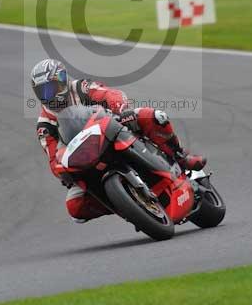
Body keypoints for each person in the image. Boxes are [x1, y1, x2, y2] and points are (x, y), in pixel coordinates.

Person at [31, 59, 206, 222]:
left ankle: (180, 156)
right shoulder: (44, 124)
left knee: (153, 117)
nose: (49, 95)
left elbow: (110, 95)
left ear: (62, 81)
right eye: (43, 92)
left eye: (51, 88)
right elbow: (53, 158)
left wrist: (121, 110)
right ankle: (127, 204)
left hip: (110, 128)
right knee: (74, 206)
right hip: (85, 157)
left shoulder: (81, 88)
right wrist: (63, 171)